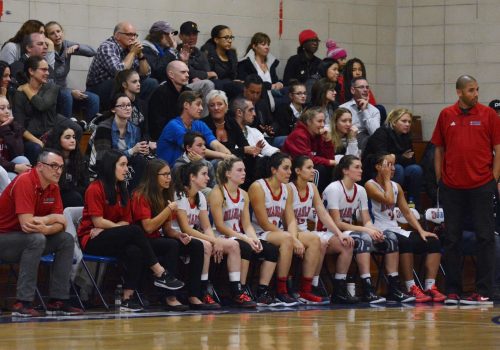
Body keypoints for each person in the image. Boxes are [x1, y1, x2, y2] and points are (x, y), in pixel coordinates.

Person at [77, 149, 184, 312]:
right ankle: (160, 272)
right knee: (134, 231)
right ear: (110, 166)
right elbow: (97, 221)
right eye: (122, 165)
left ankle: (127, 298)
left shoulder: (122, 189)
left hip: (112, 236)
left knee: (134, 249)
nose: (127, 169)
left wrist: (115, 228)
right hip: (92, 238)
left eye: (126, 165)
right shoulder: (94, 188)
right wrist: (119, 228)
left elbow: (125, 220)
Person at [431, 75, 500, 305]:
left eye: (477, 89)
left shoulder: (489, 115)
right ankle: (452, 290)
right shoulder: (446, 115)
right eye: (471, 90)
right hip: (452, 187)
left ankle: (484, 290)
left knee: (485, 238)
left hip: (481, 185)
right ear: (459, 92)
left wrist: (493, 178)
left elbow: (498, 148)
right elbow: (438, 149)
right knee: (451, 239)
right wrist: (441, 178)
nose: (476, 94)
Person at [0, 149, 83, 317]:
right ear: (39, 166)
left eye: (60, 167)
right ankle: (22, 302)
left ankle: (58, 300)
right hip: (5, 239)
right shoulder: (25, 181)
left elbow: (62, 224)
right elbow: (27, 225)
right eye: (53, 166)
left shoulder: (53, 186)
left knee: (65, 239)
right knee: (36, 239)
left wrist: (47, 227)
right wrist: (52, 219)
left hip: (28, 238)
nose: (58, 170)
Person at [323, 155, 414, 304]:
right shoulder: (334, 188)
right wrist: (367, 231)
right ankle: (367, 288)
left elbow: (366, 220)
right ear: (345, 170)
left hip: (348, 231)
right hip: (329, 232)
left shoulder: (360, 190)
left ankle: (394, 287)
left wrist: (374, 230)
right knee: (363, 238)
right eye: (357, 167)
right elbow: (337, 223)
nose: (361, 170)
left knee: (390, 238)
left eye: (361, 167)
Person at [365, 152, 446, 303]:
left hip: (395, 229)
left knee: (433, 241)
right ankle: (410, 287)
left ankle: (430, 286)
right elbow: (388, 199)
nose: (393, 168)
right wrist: (387, 178)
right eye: (388, 165)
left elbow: (407, 212)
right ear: (378, 167)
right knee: (405, 242)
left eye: (393, 165)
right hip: (379, 232)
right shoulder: (370, 185)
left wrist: (421, 230)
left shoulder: (396, 186)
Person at [173, 161, 251, 308]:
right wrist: (213, 241)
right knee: (207, 245)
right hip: (177, 236)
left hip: (193, 236)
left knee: (234, 245)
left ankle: (237, 291)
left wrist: (216, 240)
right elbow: (185, 228)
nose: (208, 178)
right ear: (192, 177)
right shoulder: (180, 194)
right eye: (204, 174)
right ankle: (203, 291)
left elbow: (207, 227)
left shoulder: (200, 197)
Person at [132, 159, 207, 311]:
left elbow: (167, 229)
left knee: (196, 245)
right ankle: (169, 296)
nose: (169, 178)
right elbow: (147, 228)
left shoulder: (165, 194)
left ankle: (194, 294)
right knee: (170, 245)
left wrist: (179, 235)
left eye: (169, 174)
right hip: (142, 242)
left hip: (158, 239)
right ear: (153, 176)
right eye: (165, 175)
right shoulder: (140, 195)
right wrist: (168, 209)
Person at [249, 152, 317, 305]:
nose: (289, 172)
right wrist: (292, 239)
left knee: (314, 239)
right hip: (259, 233)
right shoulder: (258, 186)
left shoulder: (287, 189)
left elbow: (291, 218)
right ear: (274, 170)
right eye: (285, 168)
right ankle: (282, 290)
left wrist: (294, 237)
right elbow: (264, 222)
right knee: (287, 239)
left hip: (278, 232)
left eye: (290, 168)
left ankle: (305, 290)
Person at [209, 158, 277, 306]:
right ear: (227, 174)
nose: (243, 173)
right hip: (221, 236)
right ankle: (240, 290)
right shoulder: (218, 192)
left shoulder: (244, 194)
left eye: (244, 170)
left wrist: (254, 239)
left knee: (270, 249)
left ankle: (262, 291)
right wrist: (246, 239)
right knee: (245, 247)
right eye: (239, 170)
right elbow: (220, 225)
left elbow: (247, 224)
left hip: (238, 236)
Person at [290, 156, 357, 304]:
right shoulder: (289, 188)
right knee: (319, 241)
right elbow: (288, 220)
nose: (313, 170)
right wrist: (294, 239)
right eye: (308, 167)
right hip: (290, 232)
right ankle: (307, 288)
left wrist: (340, 234)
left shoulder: (312, 188)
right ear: (298, 171)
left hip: (305, 233)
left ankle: (338, 289)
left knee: (346, 243)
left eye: (313, 167)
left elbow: (323, 214)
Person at [13, 56, 81, 164]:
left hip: (50, 132)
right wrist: (38, 142)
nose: (48, 73)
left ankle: (70, 168)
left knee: (76, 129)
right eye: (44, 69)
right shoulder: (19, 94)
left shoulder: (51, 88)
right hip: (31, 137)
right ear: (31, 71)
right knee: (36, 148)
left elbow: (42, 105)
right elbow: (19, 126)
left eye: (48, 69)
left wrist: (26, 88)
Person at [86, 21, 156, 109]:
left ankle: (138, 112)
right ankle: (114, 113)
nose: (133, 38)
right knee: (120, 82)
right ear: (117, 35)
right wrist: (133, 52)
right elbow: (119, 72)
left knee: (151, 83)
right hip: (98, 88)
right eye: (129, 34)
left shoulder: (130, 49)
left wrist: (140, 55)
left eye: (135, 35)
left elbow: (146, 73)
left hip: (121, 85)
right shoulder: (107, 46)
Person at [87, 93, 151, 190]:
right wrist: (132, 151)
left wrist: (143, 151)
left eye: (129, 105)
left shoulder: (135, 129)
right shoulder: (104, 128)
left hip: (125, 168)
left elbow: (135, 156)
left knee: (144, 162)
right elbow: (104, 159)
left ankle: (135, 199)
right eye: (122, 106)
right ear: (113, 109)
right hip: (103, 171)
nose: (127, 108)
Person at [363, 108, 423, 209]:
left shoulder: (406, 136)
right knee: (397, 168)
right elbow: (384, 159)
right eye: (404, 121)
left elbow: (410, 159)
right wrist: (401, 157)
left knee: (415, 169)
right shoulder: (381, 133)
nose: (408, 124)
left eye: (409, 122)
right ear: (394, 122)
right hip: (375, 169)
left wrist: (396, 157)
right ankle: (392, 206)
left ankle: (414, 207)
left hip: (397, 167)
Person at [157, 91, 232, 166]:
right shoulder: (174, 126)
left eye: (201, 105)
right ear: (186, 105)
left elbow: (215, 144)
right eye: (198, 104)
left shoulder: (199, 124)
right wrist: (224, 156)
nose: (201, 108)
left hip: (190, 169)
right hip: (170, 172)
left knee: (222, 163)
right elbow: (195, 149)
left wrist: (230, 156)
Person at [44, 21, 99, 121]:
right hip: (51, 90)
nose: (57, 35)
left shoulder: (66, 44)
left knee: (94, 98)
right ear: (47, 37)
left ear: (62, 32)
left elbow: (93, 51)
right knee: (67, 94)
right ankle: (66, 127)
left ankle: (89, 127)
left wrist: (77, 47)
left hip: (65, 90)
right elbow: (49, 80)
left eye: (58, 31)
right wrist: (71, 91)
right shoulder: (45, 50)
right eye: (52, 33)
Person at [282, 107, 335, 192]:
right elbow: (306, 159)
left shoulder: (318, 135)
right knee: (318, 170)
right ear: (309, 122)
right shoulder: (298, 135)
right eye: (319, 121)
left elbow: (329, 158)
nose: (322, 125)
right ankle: (314, 197)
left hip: (306, 166)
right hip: (293, 169)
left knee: (331, 167)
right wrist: (329, 162)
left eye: (323, 121)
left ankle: (326, 196)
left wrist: (327, 142)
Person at [44, 124, 88, 207]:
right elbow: (53, 187)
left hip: (73, 194)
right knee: (74, 197)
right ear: (58, 140)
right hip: (52, 197)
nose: (73, 140)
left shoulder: (79, 159)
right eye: (67, 137)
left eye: (74, 137)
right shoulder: (50, 159)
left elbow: (85, 184)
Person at [0, 95, 39, 190]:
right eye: (2, 108)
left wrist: (5, 128)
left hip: (7, 167)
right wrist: (15, 167)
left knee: (22, 159)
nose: (7, 111)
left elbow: (18, 152)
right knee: (14, 179)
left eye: (9, 108)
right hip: (2, 170)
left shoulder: (11, 126)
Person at [237, 32, 283, 111]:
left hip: (273, 93)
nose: (267, 47)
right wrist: (269, 86)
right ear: (254, 46)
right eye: (263, 44)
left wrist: (279, 83)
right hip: (258, 95)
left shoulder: (270, 63)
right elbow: (246, 82)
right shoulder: (246, 63)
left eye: (268, 44)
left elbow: (274, 81)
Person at [147, 60, 191, 140]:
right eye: (183, 72)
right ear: (171, 74)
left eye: (187, 72)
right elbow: (157, 124)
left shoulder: (189, 92)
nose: (187, 75)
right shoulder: (160, 93)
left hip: (188, 136)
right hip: (166, 138)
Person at [200, 25, 243, 99]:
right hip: (216, 87)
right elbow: (210, 76)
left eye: (231, 37)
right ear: (216, 40)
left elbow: (234, 74)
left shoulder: (232, 54)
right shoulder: (207, 53)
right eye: (226, 38)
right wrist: (231, 82)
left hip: (230, 86)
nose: (229, 41)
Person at [339, 77, 380, 150]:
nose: (365, 90)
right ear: (353, 90)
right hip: (346, 142)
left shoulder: (374, 111)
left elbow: (375, 134)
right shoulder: (343, 108)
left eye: (367, 87)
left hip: (367, 144)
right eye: (361, 87)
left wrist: (365, 110)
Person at [114, 69, 149, 139]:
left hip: (141, 143)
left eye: (139, 81)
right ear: (124, 84)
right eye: (134, 82)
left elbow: (146, 130)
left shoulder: (142, 104)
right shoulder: (118, 103)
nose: (139, 84)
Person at [272, 80, 307, 147]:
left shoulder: (308, 109)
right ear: (291, 96)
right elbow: (283, 133)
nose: (303, 96)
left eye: (304, 93)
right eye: (299, 93)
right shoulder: (282, 110)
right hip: (288, 142)